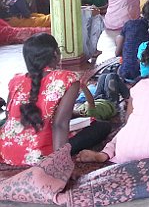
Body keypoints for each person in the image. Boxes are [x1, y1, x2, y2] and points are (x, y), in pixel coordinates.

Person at [0, 34, 111, 165]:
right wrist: (59, 165)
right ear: (55, 53)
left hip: (6, 150)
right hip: (39, 155)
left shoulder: (16, 80)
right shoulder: (67, 79)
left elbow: (9, 118)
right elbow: (60, 125)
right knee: (102, 126)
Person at [117, 0, 149, 81]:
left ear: (143, 10)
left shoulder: (129, 24)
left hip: (124, 74)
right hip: (145, 77)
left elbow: (117, 53)